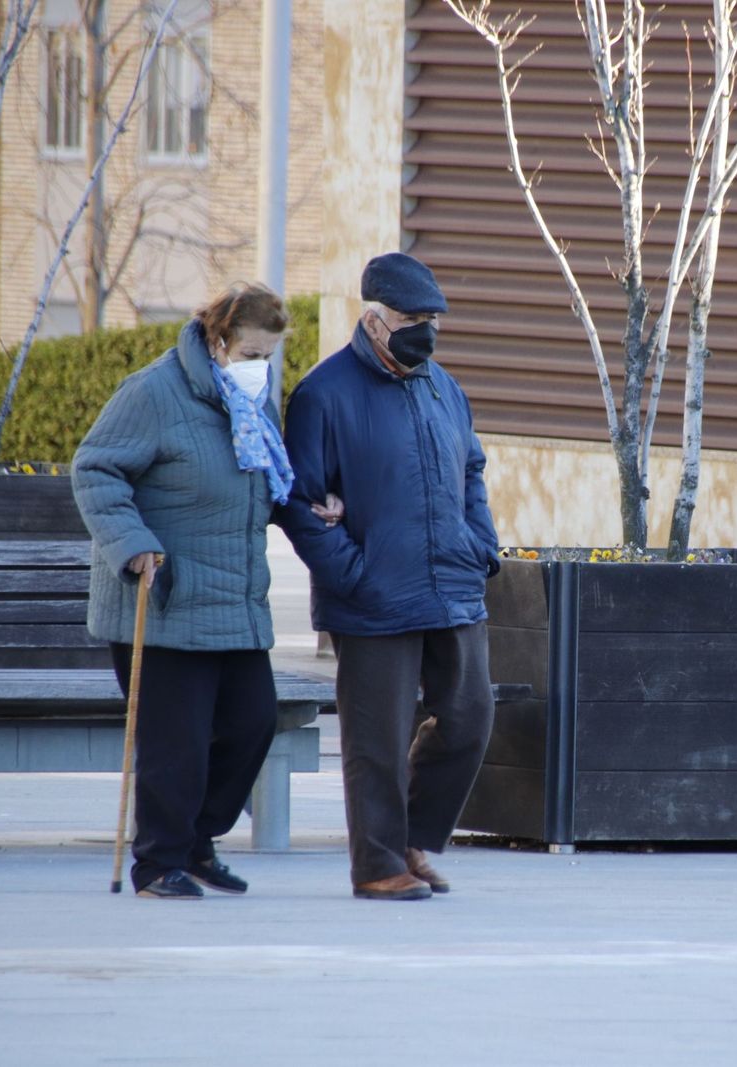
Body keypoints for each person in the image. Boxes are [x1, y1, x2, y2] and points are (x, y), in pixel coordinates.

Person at [73, 282, 334, 899]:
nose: (260, 368)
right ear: (217, 341)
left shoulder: (252, 406)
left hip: (234, 602)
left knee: (253, 724)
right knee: (176, 744)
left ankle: (196, 840)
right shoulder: (153, 393)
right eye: (249, 353)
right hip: (164, 597)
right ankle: (158, 861)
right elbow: (96, 468)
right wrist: (131, 543)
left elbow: (259, 488)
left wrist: (312, 508)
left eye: (269, 355)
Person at [279, 252, 500, 901]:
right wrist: (354, 574)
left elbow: (471, 470)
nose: (425, 332)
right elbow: (297, 501)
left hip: (452, 582)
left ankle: (410, 837)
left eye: (432, 320)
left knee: (469, 717)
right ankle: (377, 863)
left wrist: (480, 543)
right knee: (375, 739)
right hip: (373, 596)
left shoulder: (442, 386)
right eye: (412, 319)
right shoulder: (323, 394)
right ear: (375, 322)